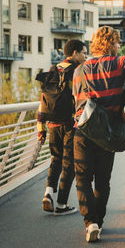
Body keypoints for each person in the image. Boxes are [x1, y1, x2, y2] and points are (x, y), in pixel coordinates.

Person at [72, 26, 125, 243]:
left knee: (82, 178)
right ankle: (98, 222)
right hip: (107, 133)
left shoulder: (79, 70)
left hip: (83, 130)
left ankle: (89, 221)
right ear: (111, 44)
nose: (119, 46)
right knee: (102, 180)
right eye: (117, 43)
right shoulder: (118, 63)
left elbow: (76, 99)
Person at [38, 39, 87, 215]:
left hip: (52, 122)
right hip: (70, 123)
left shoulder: (53, 68)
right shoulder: (77, 70)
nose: (85, 56)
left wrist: (40, 126)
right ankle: (61, 205)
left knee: (55, 159)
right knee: (69, 163)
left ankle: (48, 193)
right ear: (74, 53)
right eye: (83, 52)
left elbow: (42, 99)